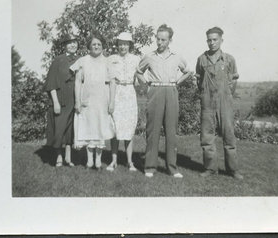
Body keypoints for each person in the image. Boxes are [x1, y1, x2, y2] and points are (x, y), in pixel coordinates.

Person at [136, 24, 191, 178]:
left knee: (171, 131)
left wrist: (177, 82)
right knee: (152, 130)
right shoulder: (149, 56)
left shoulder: (177, 56)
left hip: (171, 91)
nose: (159, 42)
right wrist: (146, 85)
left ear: (170, 40)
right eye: (158, 39)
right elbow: (139, 72)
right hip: (155, 91)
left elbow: (187, 71)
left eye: (163, 40)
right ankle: (150, 167)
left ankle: (172, 168)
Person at [195, 27, 243, 179]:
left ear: (221, 40)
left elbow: (234, 80)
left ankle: (233, 170)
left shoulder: (229, 59)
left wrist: (227, 95)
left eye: (215, 39)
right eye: (209, 40)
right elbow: (198, 79)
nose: (212, 43)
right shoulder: (201, 59)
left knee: (229, 135)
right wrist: (205, 94)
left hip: (225, 102)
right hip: (207, 101)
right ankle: (210, 168)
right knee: (207, 136)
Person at [70, 35, 115, 169]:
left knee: (100, 127)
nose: (96, 46)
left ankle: (98, 159)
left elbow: (113, 83)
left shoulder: (108, 61)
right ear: (89, 46)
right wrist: (77, 101)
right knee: (88, 126)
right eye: (94, 44)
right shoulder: (82, 61)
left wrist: (112, 102)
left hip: (102, 99)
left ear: (103, 46)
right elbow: (78, 81)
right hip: (87, 99)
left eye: (99, 44)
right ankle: (89, 159)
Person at [107, 32, 140, 172]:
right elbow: (108, 78)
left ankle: (130, 161)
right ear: (117, 45)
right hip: (116, 92)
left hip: (130, 92)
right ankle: (113, 160)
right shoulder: (111, 59)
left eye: (126, 44)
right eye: (121, 44)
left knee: (129, 127)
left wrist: (139, 79)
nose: (123, 47)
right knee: (115, 127)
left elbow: (140, 76)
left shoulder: (136, 59)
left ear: (130, 45)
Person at [44, 34, 78, 167]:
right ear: (64, 46)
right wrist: (55, 102)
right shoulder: (58, 60)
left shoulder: (81, 60)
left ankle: (68, 158)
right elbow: (51, 83)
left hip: (75, 99)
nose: (72, 45)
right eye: (69, 43)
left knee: (70, 130)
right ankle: (59, 157)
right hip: (61, 99)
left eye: (75, 42)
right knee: (59, 129)